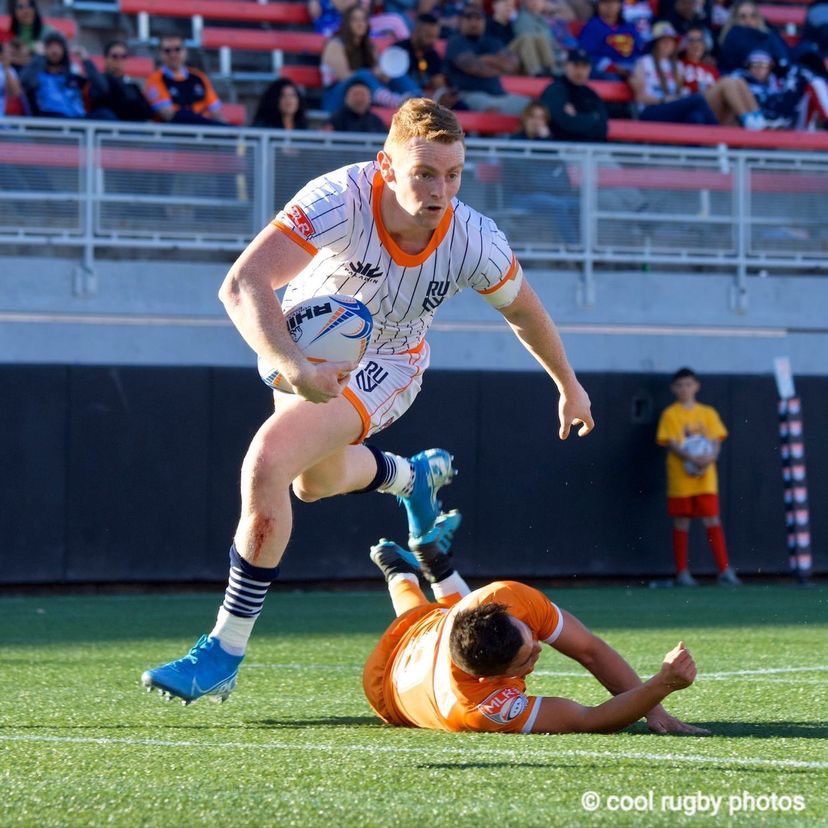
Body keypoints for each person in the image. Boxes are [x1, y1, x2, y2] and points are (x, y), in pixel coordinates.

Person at [141, 97, 595, 705]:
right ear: (385, 165)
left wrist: (568, 383)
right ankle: (411, 478)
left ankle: (223, 650)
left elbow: (523, 311)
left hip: (390, 365)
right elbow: (242, 283)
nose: (441, 191)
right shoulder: (340, 197)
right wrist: (292, 366)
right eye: (425, 173)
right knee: (311, 484)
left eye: (453, 175)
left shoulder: (474, 239)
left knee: (266, 463)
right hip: (309, 352)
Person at [363, 512, 708, 734]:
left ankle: (419, 564)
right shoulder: (482, 708)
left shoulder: (509, 597)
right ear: (492, 679)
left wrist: (655, 712)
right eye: (526, 658)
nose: (539, 648)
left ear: (503, 612)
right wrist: (660, 685)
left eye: (531, 638)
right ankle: (402, 569)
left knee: (429, 617)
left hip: (433, 629)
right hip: (388, 685)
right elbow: (589, 720)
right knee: (416, 617)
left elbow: (590, 650)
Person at [656, 367, 741, 587]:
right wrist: (692, 459)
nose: (685, 389)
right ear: (674, 388)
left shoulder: (708, 413)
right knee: (682, 521)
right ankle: (682, 573)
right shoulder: (671, 414)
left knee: (712, 518)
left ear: (697, 386)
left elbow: (716, 440)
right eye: (680, 385)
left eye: (689, 384)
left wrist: (709, 459)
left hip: (706, 478)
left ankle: (724, 570)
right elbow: (672, 443)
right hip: (681, 478)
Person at [320, 5, 421, 112]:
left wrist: (383, 74)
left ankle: (417, 97)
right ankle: (395, 101)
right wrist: (373, 73)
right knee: (363, 74)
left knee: (395, 74)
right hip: (336, 97)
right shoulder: (335, 44)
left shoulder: (369, 46)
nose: (360, 23)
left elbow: (381, 74)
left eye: (363, 20)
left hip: (365, 95)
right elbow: (345, 77)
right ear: (346, 23)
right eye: (355, 20)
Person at [508, 100, 580, 246]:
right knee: (559, 205)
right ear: (525, 119)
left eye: (541, 118)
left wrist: (546, 140)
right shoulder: (514, 142)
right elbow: (525, 177)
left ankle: (586, 248)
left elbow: (560, 173)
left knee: (581, 205)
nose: (537, 122)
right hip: (521, 196)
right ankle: (575, 250)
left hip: (548, 194)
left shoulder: (547, 144)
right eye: (533, 117)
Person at [444, 4, 530, 114]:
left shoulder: (492, 42)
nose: (473, 22)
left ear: (484, 21)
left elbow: (513, 65)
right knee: (493, 110)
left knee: (534, 107)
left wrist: (485, 59)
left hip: (500, 94)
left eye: (478, 18)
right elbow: (474, 68)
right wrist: (498, 66)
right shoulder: (455, 42)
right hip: (468, 94)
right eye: (468, 17)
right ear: (461, 21)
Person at [629, 21, 718, 124]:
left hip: (670, 109)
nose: (668, 44)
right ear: (655, 43)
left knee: (695, 118)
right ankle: (720, 136)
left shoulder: (678, 66)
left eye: (671, 41)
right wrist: (663, 100)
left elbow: (679, 93)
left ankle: (713, 138)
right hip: (650, 110)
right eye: (664, 41)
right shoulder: (643, 63)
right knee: (698, 99)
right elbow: (640, 97)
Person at [679, 26, 765, 127]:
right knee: (727, 82)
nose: (696, 44)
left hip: (715, 111)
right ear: (684, 44)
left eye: (700, 40)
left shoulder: (711, 69)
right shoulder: (679, 65)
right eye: (691, 40)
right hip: (694, 106)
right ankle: (748, 121)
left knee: (739, 81)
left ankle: (758, 119)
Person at [733, 50, 828, 130]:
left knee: (816, 83)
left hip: (789, 122)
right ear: (748, 67)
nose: (759, 69)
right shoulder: (741, 82)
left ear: (770, 67)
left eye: (763, 65)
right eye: (754, 65)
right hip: (760, 125)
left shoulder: (780, 83)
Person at [143, 35, 225, 125]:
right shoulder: (155, 79)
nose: (173, 54)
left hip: (204, 130)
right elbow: (168, 115)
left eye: (177, 49)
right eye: (167, 51)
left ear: (185, 52)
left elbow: (215, 112)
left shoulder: (199, 77)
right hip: (174, 132)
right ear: (161, 54)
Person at [20, 32, 103, 118]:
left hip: (78, 122)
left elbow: (101, 89)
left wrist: (86, 60)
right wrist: (39, 57)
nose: (54, 51)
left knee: (103, 114)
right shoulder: (37, 76)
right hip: (49, 123)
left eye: (58, 47)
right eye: (50, 47)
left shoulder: (73, 76)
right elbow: (24, 82)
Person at [541, 46, 609, 140]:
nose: (580, 71)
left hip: (591, 149)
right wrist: (593, 118)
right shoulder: (555, 90)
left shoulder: (591, 94)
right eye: (576, 65)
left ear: (590, 68)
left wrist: (577, 117)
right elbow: (564, 123)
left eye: (584, 66)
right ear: (566, 66)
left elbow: (602, 129)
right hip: (561, 149)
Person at [717, 0, 789, 74]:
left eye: (753, 16)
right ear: (735, 19)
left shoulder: (769, 37)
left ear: (758, 18)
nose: (748, 20)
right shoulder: (730, 39)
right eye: (743, 17)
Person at [89, 40, 153, 122]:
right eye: (115, 56)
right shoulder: (100, 81)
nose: (119, 60)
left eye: (123, 57)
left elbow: (146, 111)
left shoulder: (132, 85)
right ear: (106, 59)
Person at [578, 0, 644, 79]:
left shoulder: (629, 27)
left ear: (620, 5)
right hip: (607, 71)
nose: (610, 6)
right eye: (606, 2)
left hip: (631, 67)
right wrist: (613, 68)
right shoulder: (592, 27)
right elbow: (587, 55)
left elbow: (640, 51)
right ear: (598, 5)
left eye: (614, 2)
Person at [396, 13, 451, 100]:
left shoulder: (432, 54)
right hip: (401, 99)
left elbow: (438, 82)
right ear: (416, 33)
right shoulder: (398, 50)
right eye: (429, 36)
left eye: (435, 37)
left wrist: (444, 95)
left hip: (425, 100)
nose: (433, 41)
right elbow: (392, 80)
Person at [511, 0, 568, 76]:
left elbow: (552, 43)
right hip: (536, 63)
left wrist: (562, 56)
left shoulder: (542, 20)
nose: (535, 2)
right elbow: (531, 45)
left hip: (551, 59)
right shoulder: (523, 19)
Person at [1, 39, 22, 116]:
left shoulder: (10, 70)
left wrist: (6, 68)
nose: (10, 56)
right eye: (8, 52)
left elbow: (16, 92)